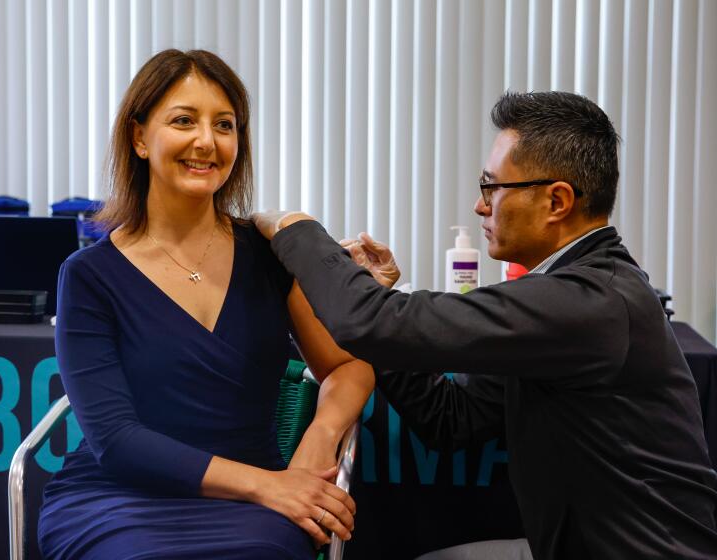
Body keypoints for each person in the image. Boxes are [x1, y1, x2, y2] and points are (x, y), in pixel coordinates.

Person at [253, 91, 717, 559]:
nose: (480, 206)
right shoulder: (576, 288)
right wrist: (383, 305)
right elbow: (453, 419)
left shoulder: (586, 301)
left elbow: (367, 322)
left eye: (492, 188)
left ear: (557, 201)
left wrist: (291, 226)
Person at [38, 49, 374, 560]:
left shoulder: (271, 256)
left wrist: (318, 439)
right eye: (183, 121)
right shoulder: (88, 276)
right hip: (118, 500)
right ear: (139, 137)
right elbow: (117, 441)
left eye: (224, 125)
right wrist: (269, 486)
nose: (206, 141)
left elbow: (347, 365)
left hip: (255, 508)